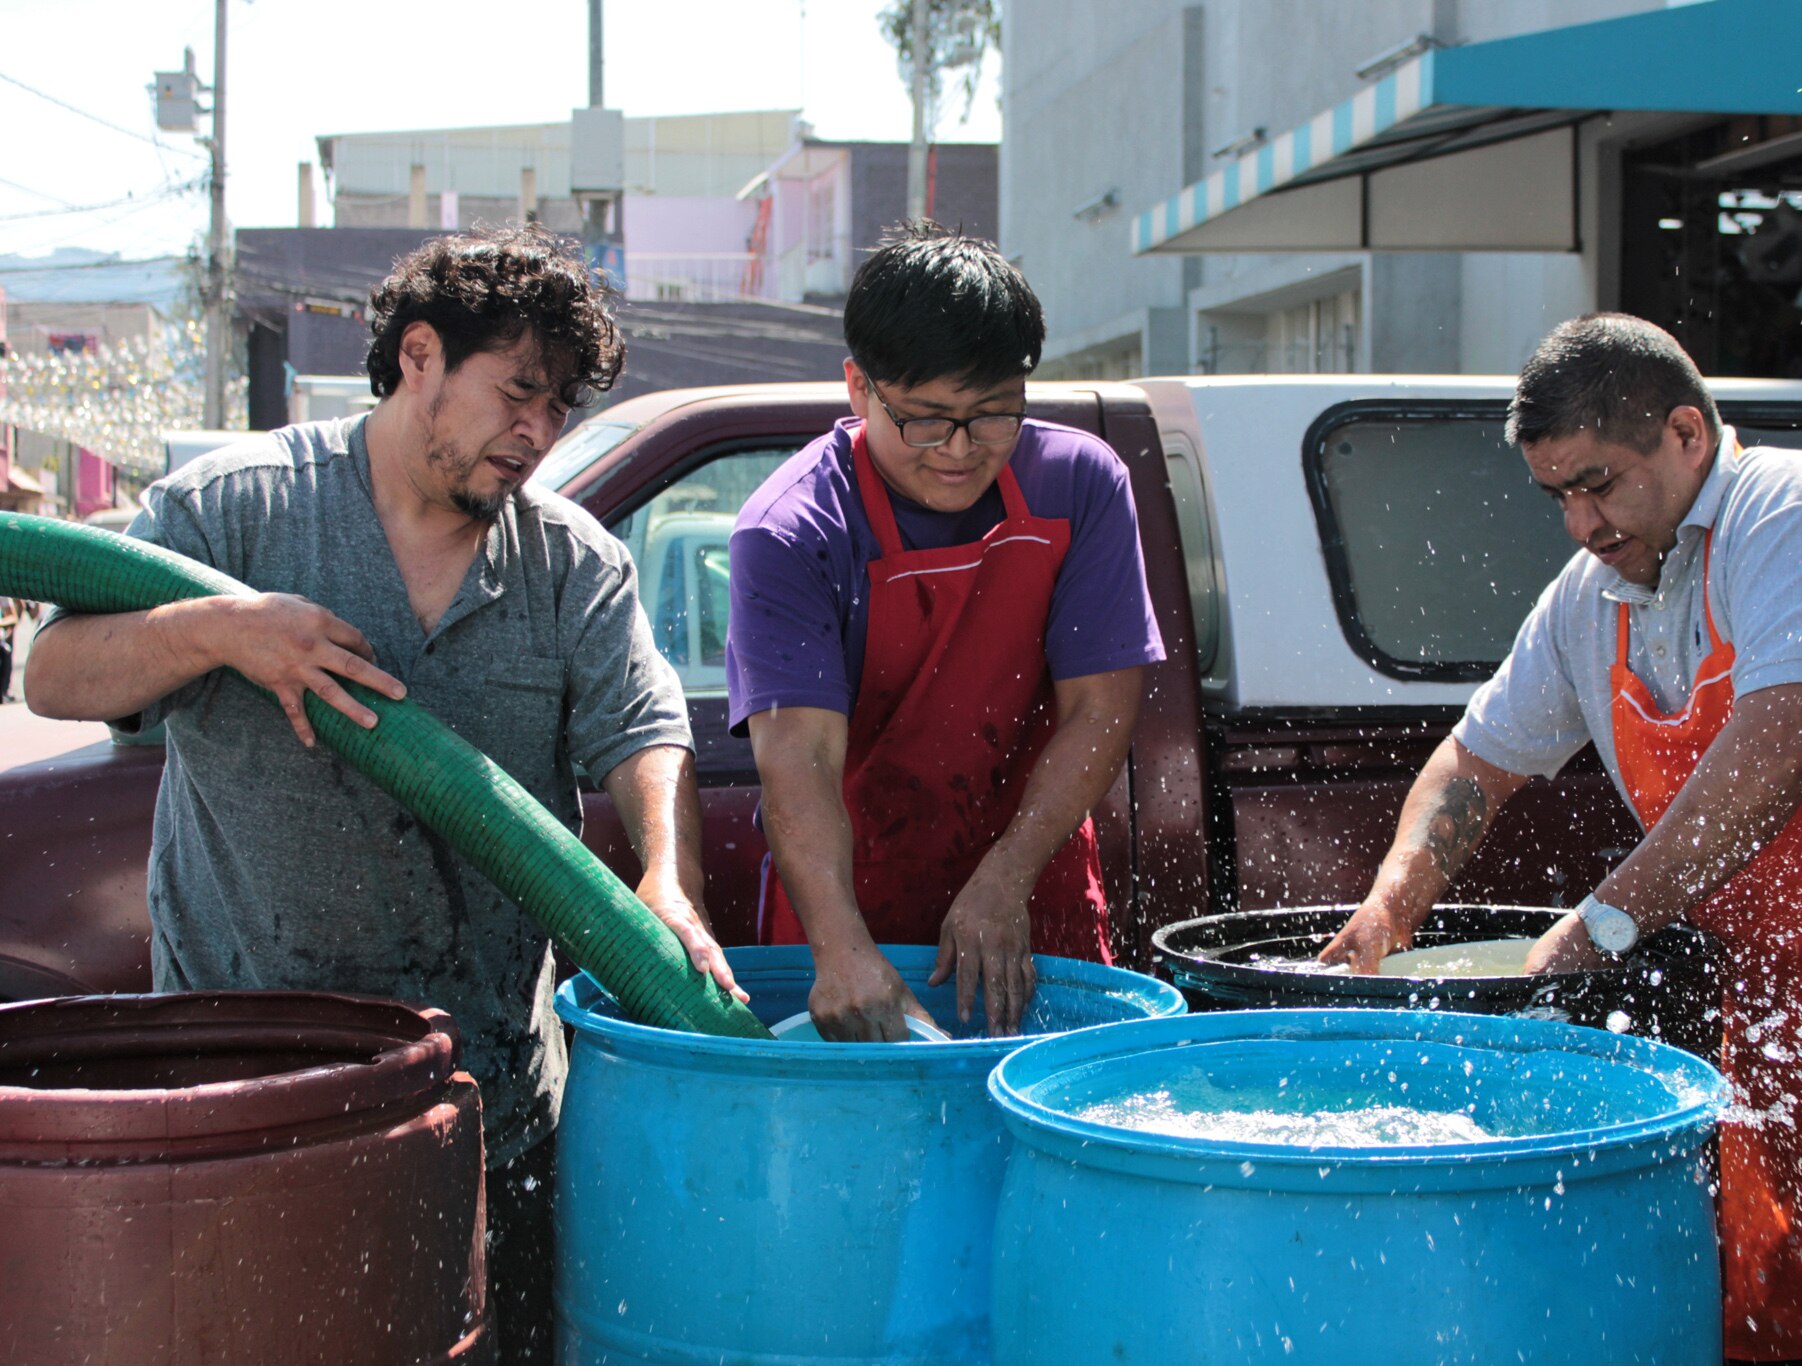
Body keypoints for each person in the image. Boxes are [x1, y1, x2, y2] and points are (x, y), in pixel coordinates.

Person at [26, 224, 739, 1365]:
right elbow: (54, 673)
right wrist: (221, 628)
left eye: (557, 407)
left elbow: (645, 732)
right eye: (516, 392)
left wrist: (663, 874)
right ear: (417, 357)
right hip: (253, 1109)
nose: (537, 432)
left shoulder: (569, 564)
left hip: (483, 1108)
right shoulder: (239, 513)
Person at [1320, 313, 1802, 1363]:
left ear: (1685, 435)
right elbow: (1471, 764)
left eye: (1600, 483)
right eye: (1557, 495)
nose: (1580, 522)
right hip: (1797, 1004)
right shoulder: (1588, 601)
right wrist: (1393, 904)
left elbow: (1781, 741)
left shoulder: (1800, 513)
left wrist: (1602, 921)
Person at [725, 220, 1163, 1042]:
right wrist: (842, 946)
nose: (960, 452)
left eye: (994, 415)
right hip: (848, 900)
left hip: (1034, 883)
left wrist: (1007, 876)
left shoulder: (1081, 483)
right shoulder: (790, 530)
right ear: (859, 387)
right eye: (925, 420)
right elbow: (800, 758)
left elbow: (1099, 711)